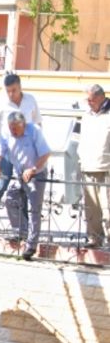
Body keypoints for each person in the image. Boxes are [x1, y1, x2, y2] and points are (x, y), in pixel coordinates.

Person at [0, 73, 42, 233]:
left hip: (25, 151)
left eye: (14, 90)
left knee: (25, 188)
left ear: (20, 87)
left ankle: (24, 228)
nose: (11, 94)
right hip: (6, 150)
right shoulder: (1, 102)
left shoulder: (30, 100)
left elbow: (38, 124)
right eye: (8, 91)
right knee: (0, 186)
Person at [0, 111, 50, 260]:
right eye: (11, 127)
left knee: (34, 209)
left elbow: (45, 153)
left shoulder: (34, 131)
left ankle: (31, 245)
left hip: (36, 173)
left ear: (24, 125)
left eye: (16, 128)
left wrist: (33, 168)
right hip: (19, 172)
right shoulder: (6, 132)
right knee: (10, 200)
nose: (13, 131)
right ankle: (21, 232)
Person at [76, 84, 110, 248]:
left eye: (90, 99)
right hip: (88, 165)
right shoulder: (86, 115)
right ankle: (94, 239)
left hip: (106, 168)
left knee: (107, 207)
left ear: (99, 97)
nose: (88, 102)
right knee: (91, 209)